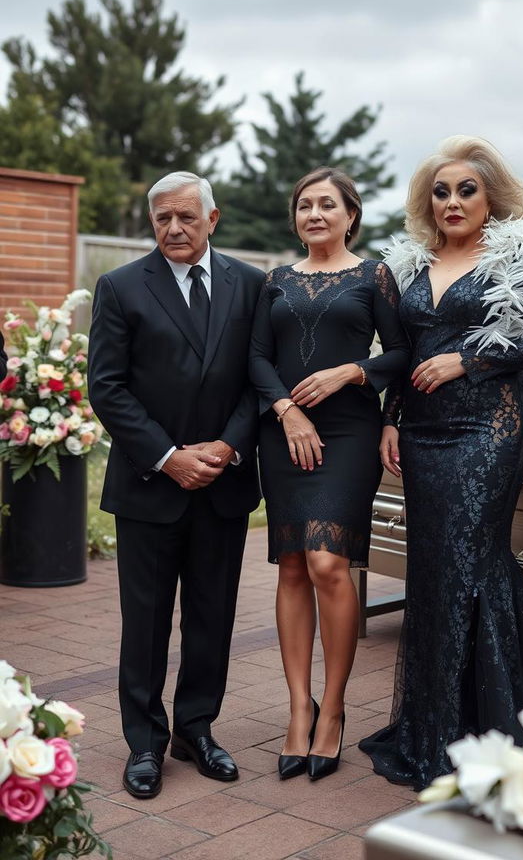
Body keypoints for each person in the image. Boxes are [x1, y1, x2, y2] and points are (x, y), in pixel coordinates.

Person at [359, 136, 523, 791]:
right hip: (423, 433)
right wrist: (389, 420)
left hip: (491, 424)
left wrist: (470, 359)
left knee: (467, 555)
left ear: (490, 199)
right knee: (439, 567)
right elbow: (400, 349)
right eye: (441, 191)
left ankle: (486, 728)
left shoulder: (514, 254)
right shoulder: (409, 265)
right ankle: (449, 721)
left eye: (466, 190)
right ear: (426, 202)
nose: (453, 201)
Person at [88, 171, 264, 799]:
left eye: (187, 217)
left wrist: (226, 446)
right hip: (149, 486)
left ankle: (196, 729)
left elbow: (257, 378)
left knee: (212, 618)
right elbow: (105, 386)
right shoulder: (120, 287)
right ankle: (145, 743)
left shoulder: (251, 284)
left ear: (212, 220)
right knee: (146, 622)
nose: (173, 229)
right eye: (162, 218)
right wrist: (167, 456)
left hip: (222, 482)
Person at [249, 167, 409, 781]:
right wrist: (287, 411)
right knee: (292, 564)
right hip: (284, 433)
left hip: (347, 433)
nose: (314, 214)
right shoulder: (276, 281)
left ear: (350, 214)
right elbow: (257, 358)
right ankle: (298, 709)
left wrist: (351, 372)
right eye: (305, 206)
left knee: (327, 563)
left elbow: (401, 355)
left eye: (327, 205)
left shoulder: (374, 277)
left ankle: (334, 708)